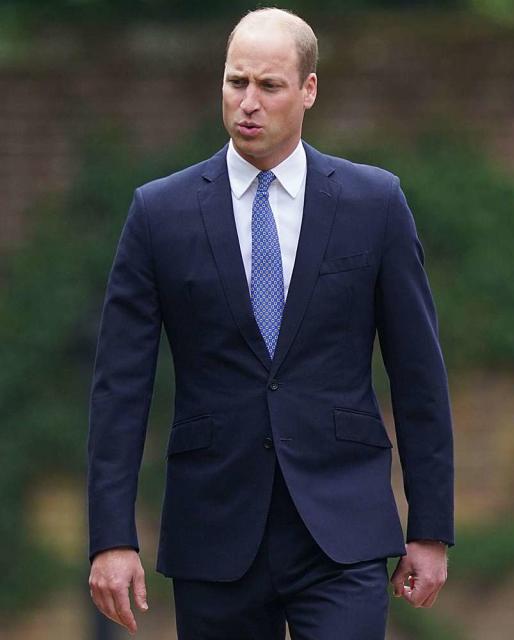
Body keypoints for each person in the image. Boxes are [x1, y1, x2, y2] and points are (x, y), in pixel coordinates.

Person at [87, 8, 453, 638]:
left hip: (343, 526)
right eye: (236, 83)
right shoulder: (159, 213)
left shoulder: (374, 203)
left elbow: (418, 374)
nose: (247, 103)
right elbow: (120, 386)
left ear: (308, 90)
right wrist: (110, 539)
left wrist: (430, 528)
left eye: (269, 86)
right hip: (214, 526)